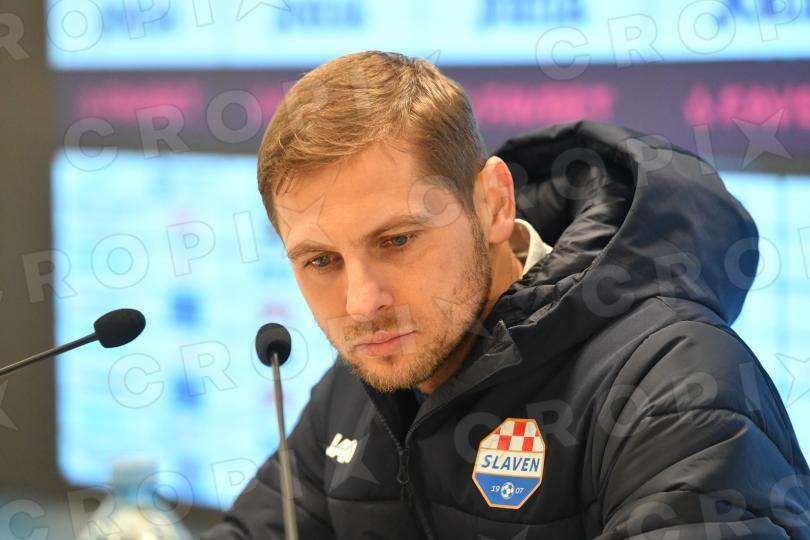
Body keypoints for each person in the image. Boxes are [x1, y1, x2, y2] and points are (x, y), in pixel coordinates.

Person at [202, 51, 810, 539]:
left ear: (493, 202)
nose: (362, 303)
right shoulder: (362, 380)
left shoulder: (674, 385)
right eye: (321, 261)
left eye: (396, 240)